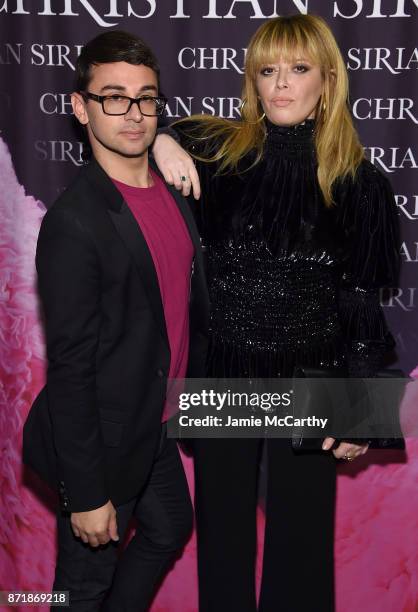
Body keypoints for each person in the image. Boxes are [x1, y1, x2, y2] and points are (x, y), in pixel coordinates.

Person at [152, 14, 400, 612]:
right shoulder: (215, 151)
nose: (282, 84)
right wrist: (161, 138)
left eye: (298, 69)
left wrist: (362, 412)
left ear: (328, 79)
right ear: (253, 82)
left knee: (302, 547)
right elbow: (135, 132)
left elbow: (361, 298)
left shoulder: (359, 182)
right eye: (268, 71)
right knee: (222, 543)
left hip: (311, 378)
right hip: (225, 370)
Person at [22, 30, 208, 611]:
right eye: (113, 97)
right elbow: (71, 368)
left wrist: (170, 141)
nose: (133, 114)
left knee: (169, 525)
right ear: (81, 108)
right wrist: (86, 493)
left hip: (150, 424)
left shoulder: (175, 190)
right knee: (81, 592)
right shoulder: (74, 224)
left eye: (146, 98)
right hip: (102, 440)